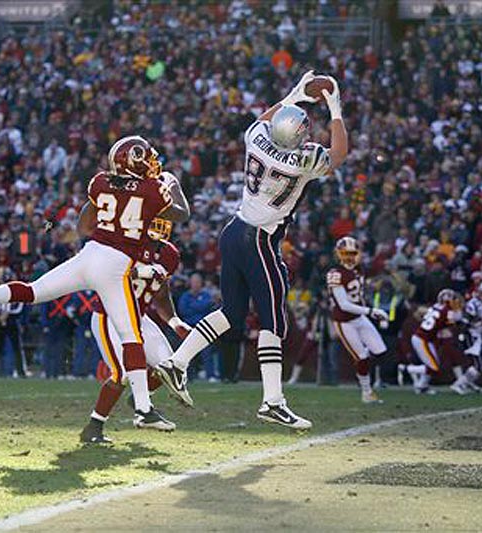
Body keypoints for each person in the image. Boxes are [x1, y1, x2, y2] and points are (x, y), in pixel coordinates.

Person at [0, 136, 190, 430]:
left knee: (33, 291)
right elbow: (180, 213)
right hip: (115, 265)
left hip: (89, 255)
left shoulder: (100, 182)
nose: (151, 163)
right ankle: (143, 409)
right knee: (131, 336)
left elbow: (87, 220)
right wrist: (171, 187)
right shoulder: (152, 190)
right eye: (147, 158)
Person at [157, 70, 348, 430]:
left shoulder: (257, 137)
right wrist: (335, 107)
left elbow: (264, 120)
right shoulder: (302, 161)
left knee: (231, 312)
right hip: (259, 239)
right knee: (273, 320)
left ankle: (176, 362)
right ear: (297, 137)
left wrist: (293, 95)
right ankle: (273, 401)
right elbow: (339, 154)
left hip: (234, 231)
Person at [81, 220, 192, 443]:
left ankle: (141, 402)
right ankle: (94, 427)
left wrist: (174, 321)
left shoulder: (169, 254)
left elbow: (160, 293)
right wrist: (141, 270)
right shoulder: (122, 243)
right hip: (109, 315)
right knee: (121, 374)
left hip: (138, 317)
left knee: (169, 367)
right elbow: (107, 274)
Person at [326, 237, 389, 403]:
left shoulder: (359, 269)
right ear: (338, 254)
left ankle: (362, 368)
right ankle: (367, 392)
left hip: (359, 318)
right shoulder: (335, 274)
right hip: (344, 322)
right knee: (362, 357)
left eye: (352, 253)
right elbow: (344, 305)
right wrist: (371, 311)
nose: (349, 257)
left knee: (380, 351)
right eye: (345, 253)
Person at [402, 289, 464, 394]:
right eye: (452, 299)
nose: (454, 302)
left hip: (425, 338)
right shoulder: (447, 311)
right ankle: (405, 369)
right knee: (433, 368)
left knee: (434, 363)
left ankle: (421, 386)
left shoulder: (435, 307)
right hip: (422, 339)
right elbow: (452, 325)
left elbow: (420, 314)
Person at [450, 280, 482, 394]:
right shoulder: (473, 303)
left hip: (480, 335)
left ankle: (468, 381)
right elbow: (465, 322)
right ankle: (459, 384)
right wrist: (462, 336)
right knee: (478, 364)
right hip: (471, 335)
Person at [177, 272, 220, 381]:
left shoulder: (206, 295)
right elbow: (183, 311)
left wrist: (194, 307)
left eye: (198, 282)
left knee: (207, 352)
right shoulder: (185, 296)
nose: (196, 284)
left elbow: (210, 308)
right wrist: (202, 306)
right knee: (187, 353)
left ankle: (210, 375)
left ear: (201, 283)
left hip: (203, 327)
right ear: (190, 283)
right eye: (194, 282)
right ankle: (189, 377)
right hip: (189, 327)